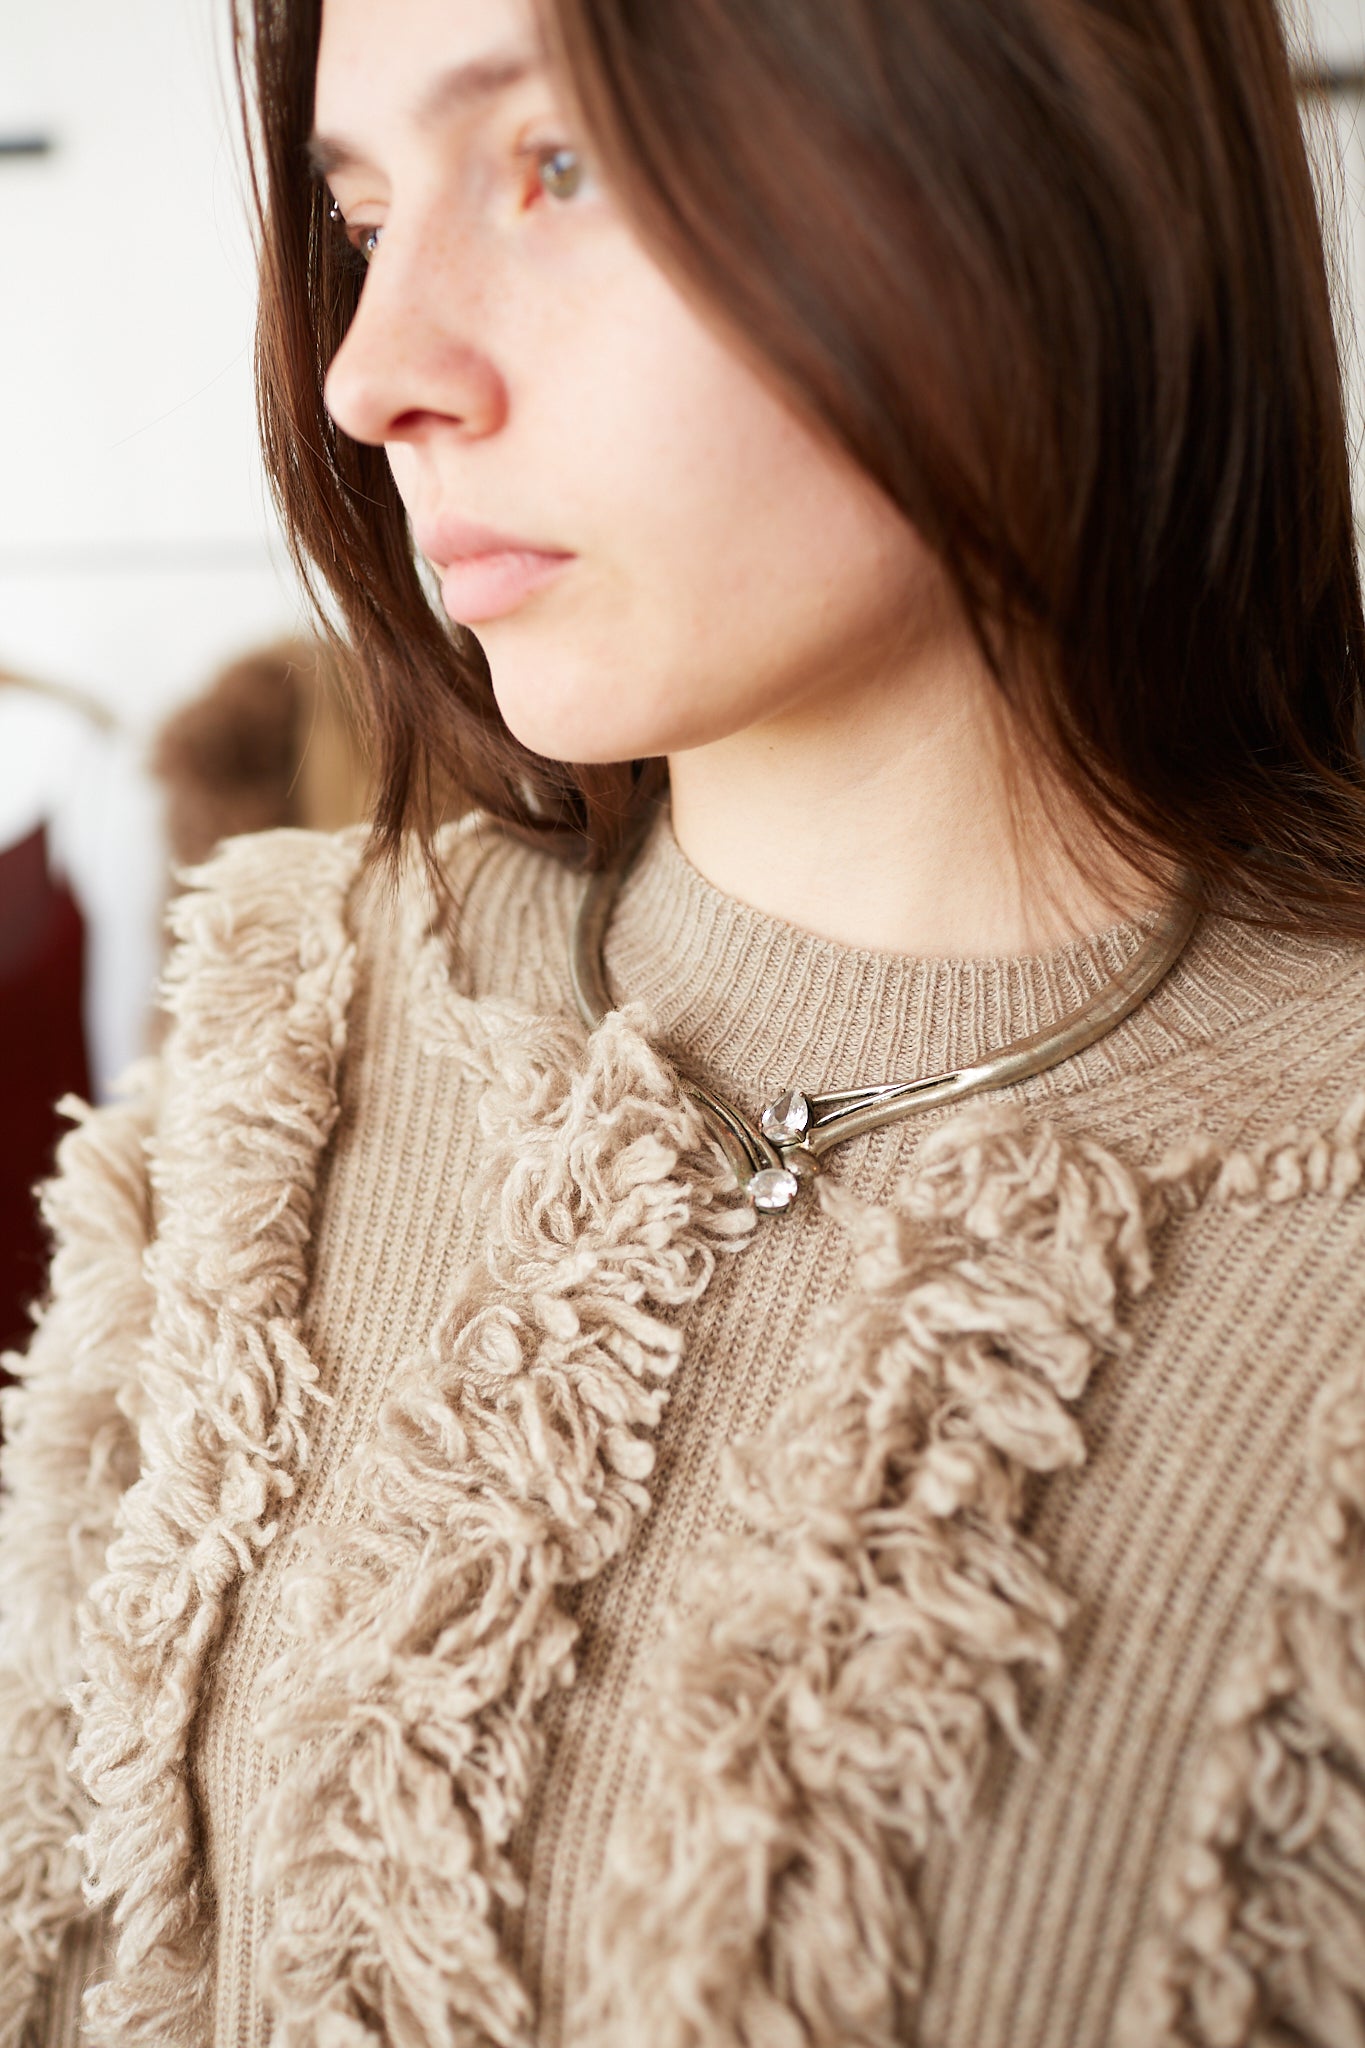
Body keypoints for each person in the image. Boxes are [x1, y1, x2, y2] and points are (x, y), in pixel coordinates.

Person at [2, 0, 1364, 2041]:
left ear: (1037, 155)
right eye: (359, 214)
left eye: (555, 167)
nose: (374, 373)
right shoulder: (294, 1038)